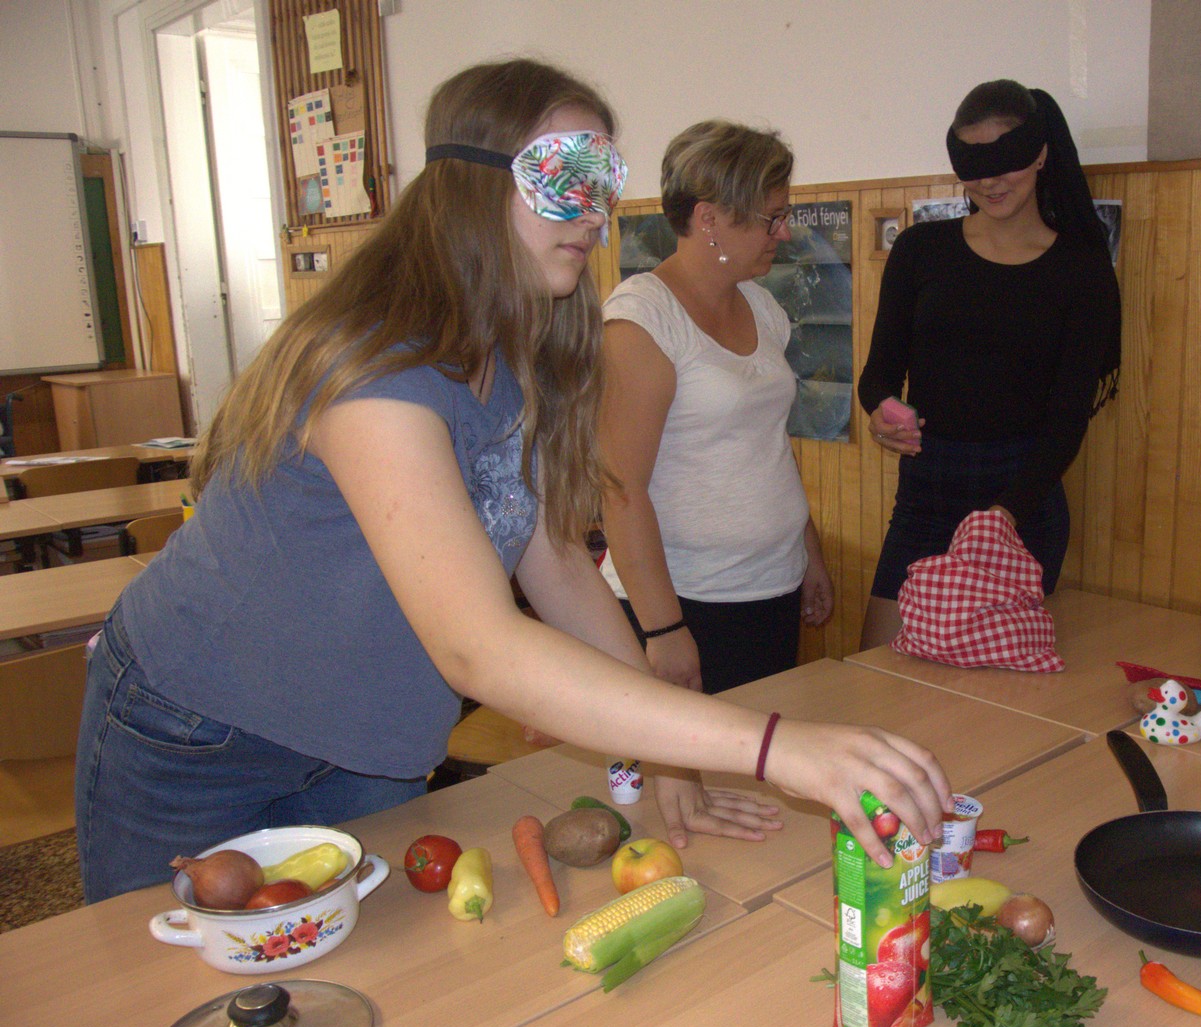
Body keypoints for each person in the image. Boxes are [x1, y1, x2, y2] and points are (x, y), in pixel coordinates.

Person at [75, 59, 948, 904]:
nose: (594, 214)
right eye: (565, 180)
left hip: (366, 738)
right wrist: (776, 748)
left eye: (603, 185)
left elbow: (557, 564)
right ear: (470, 182)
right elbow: (479, 648)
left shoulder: (518, 353)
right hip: (200, 733)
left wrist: (672, 761)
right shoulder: (376, 371)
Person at [857, 79, 1121, 649]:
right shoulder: (921, 250)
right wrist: (882, 412)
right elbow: (878, 375)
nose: (990, 180)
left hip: (1023, 501)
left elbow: (1068, 418)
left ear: (1041, 153)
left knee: (990, 686)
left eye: (1007, 160)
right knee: (878, 664)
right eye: (973, 165)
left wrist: (1006, 512)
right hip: (927, 493)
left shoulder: (1079, 268)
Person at [597, 119, 831, 704]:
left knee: (763, 752)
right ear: (709, 218)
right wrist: (663, 629)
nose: (783, 231)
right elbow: (620, 488)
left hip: (771, 587)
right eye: (771, 217)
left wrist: (808, 554)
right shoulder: (642, 319)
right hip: (686, 600)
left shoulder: (762, 305)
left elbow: (768, 446)